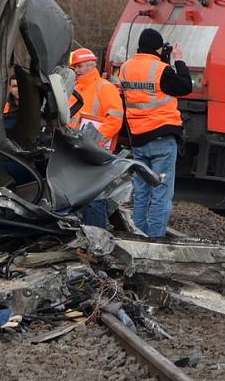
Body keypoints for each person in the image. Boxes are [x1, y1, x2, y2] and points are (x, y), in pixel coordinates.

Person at [119, 28, 192, 238]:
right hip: (161, 138)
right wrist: (178, 61)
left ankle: (139, 235)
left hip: (138, 139)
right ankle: (156, 240)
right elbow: (185, 86)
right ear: (158, 48)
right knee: (160, 192)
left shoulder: (125, 68)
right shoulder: (162, 70)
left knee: (141, 192)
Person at [67, 47, 124, 228]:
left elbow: (115, 119)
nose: (76, 70)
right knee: (79, 196)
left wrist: (94, 142)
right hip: (76, 149)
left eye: (79, 66)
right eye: (74, 66)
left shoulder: (104, 87)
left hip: (93, 150)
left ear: (91, 65)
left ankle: (97, 238)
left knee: (94, 196)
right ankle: (87, 236)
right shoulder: (75, 88)